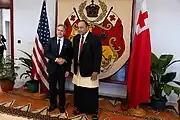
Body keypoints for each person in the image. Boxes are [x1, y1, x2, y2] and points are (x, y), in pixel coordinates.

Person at [72, 20, 102, 120]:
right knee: (79, 89)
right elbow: (74, 54)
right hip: (78, 69)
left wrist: (95, 70)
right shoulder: (76, 38)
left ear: (87, 27)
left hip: (90, 70)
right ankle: (79, 107)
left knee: (91, 91)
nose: (79, 29)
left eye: (81, 27)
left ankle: (94, 111)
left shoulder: (95, 39)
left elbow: (98, 56)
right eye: (78, 28)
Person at [45, 24, 73, 113]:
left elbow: (70, 56)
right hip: (52, 68)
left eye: (61, 30)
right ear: (56, 31)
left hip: (62, 69)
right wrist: (56, 59)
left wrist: (67, 68)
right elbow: (46, 53)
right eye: (58, 30)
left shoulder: (68, 42)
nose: (59, 32)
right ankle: (52, 104)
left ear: (64, 32)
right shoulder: (51, 40)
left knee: (61, 89)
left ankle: (61, 105)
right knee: (52, 88)